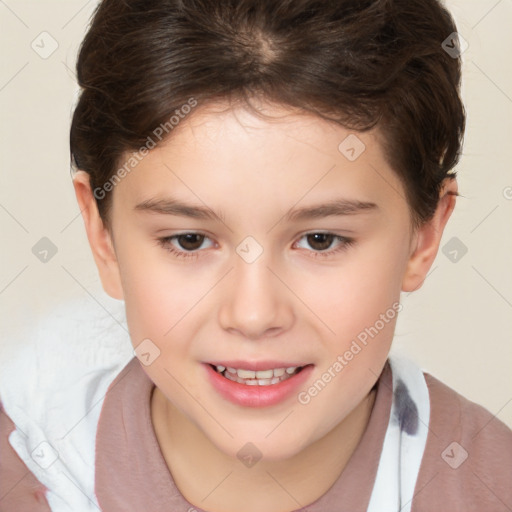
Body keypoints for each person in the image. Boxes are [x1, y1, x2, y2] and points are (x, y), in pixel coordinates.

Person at [1, 0, 511, 511]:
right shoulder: (21, 465)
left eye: (320, 240)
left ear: (423, 237)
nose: (253, 315)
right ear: (102, 236)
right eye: (189, 240)